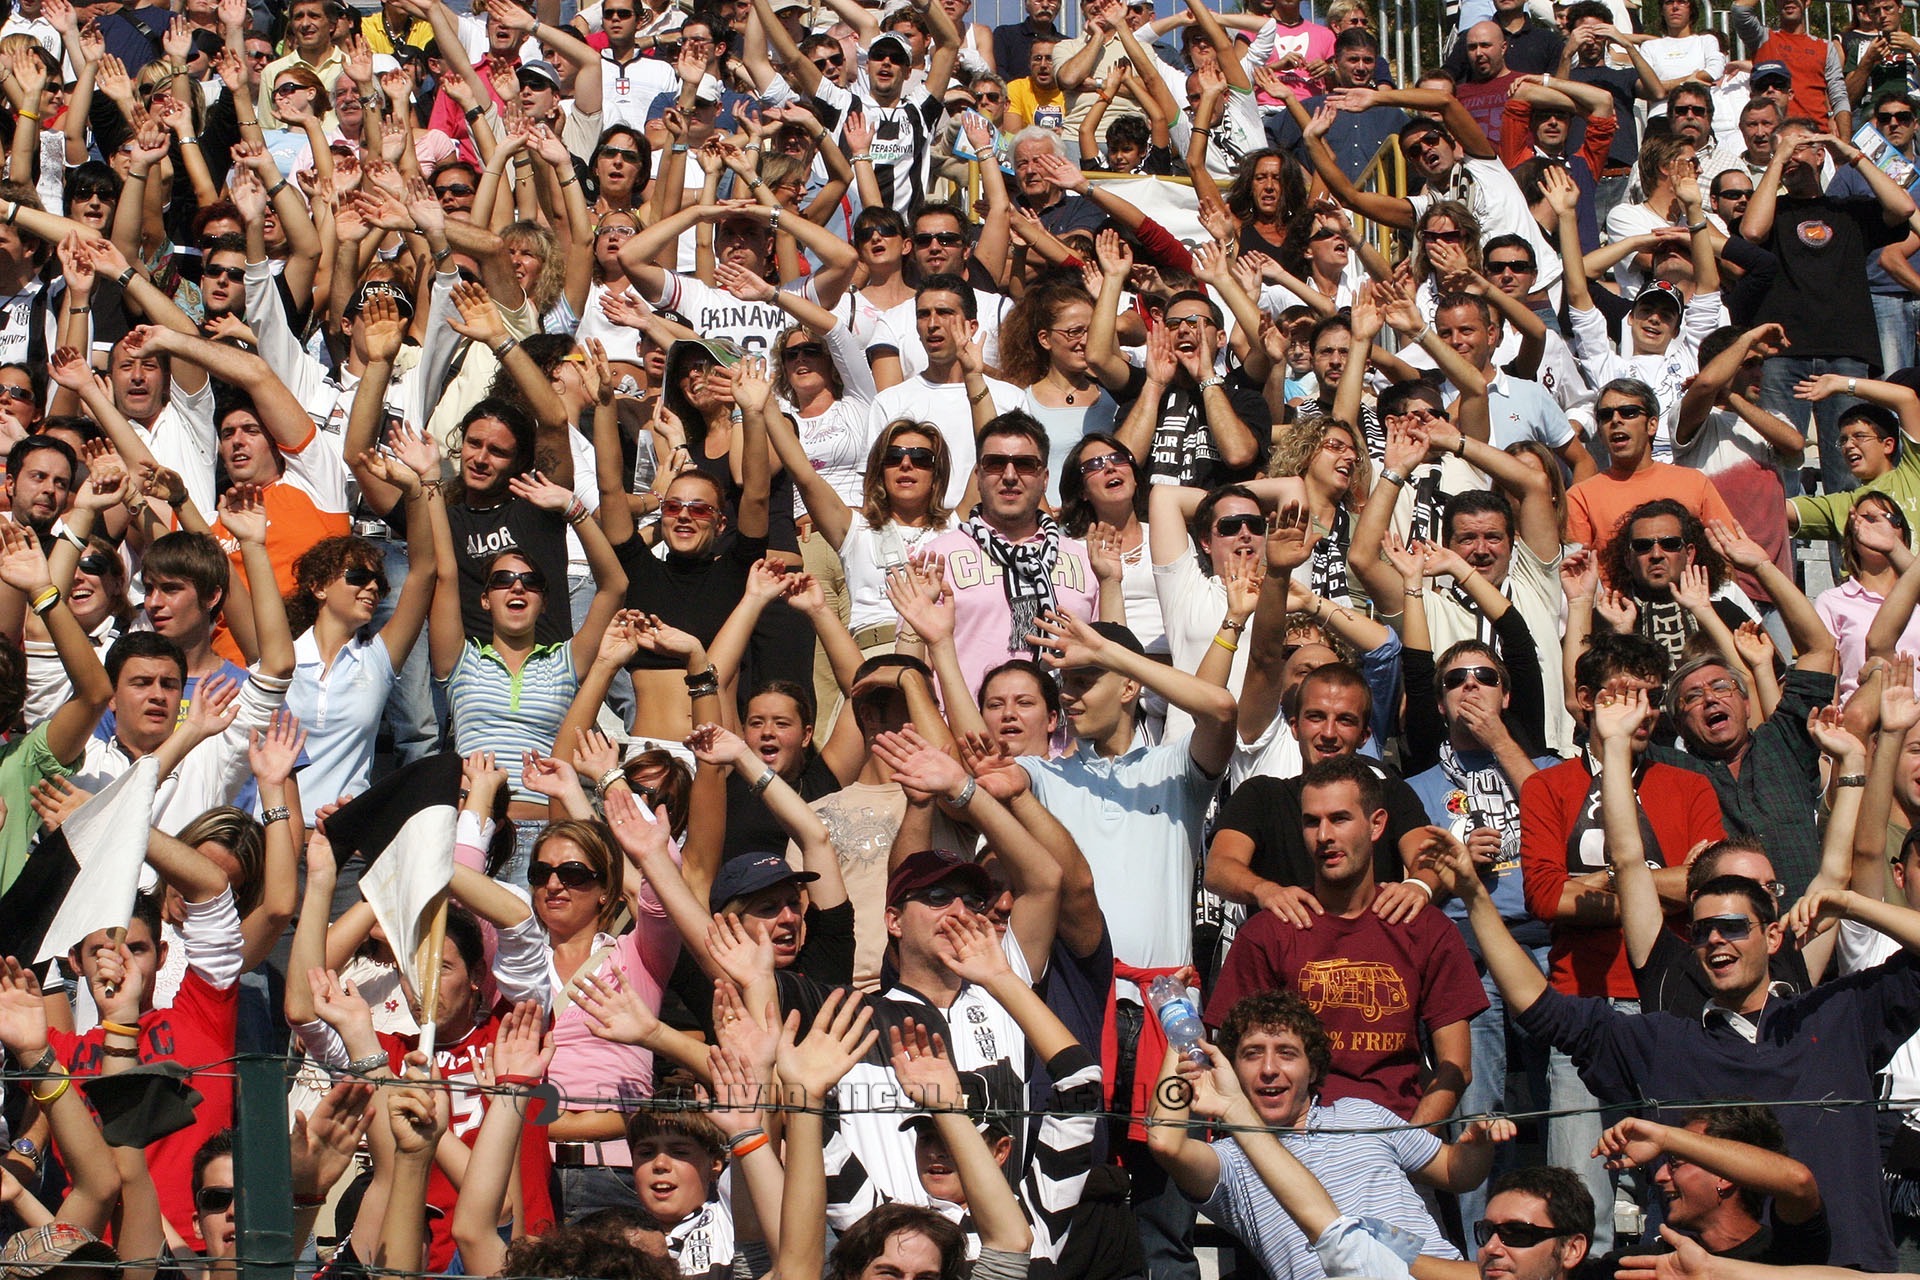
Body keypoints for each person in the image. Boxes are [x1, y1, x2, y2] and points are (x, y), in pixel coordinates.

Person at [1207, 753, 1487, 1123]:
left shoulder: (1426, 928)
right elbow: (1231, 1059)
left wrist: (1411, 1142)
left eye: (1339, 819)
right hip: (1292, 1140)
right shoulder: (1269, 932)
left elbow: (1456, 1066)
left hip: (1396, 1136)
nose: (1324, 836)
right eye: (1312, 822)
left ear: (1376, 824)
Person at [1566, 380, 1738, 563]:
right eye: (1605, 415)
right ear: (1600, 432)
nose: (1615, 420)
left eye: (1628, 412)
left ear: (1652, 425)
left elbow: (1727, 555)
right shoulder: (1580, 497)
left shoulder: (1694, 483)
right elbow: (1577, 569)